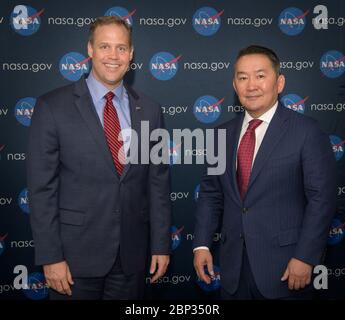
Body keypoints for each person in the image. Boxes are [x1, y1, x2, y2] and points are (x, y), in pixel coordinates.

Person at [27, 16, 171, 300]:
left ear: (131, 54)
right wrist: (50, 256)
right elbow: (41, 190)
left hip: (130, 258)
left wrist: (161, 245)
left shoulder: (150, 110)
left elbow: (157, 185)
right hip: (72, 260)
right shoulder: (52, 106)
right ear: (90, 49)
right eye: (105, 46)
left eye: (121, 48)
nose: (113, 56)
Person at [193, 45, 336, 300]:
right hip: (233, 271)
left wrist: (305, 256)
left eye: (260, 76)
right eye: (242, 77)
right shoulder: (219, 136)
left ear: (279, 82)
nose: (251, 85)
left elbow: (321, 200)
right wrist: (202, 244)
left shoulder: (307, 131)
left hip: (286, 269)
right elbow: (211, 194)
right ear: (235, 86)